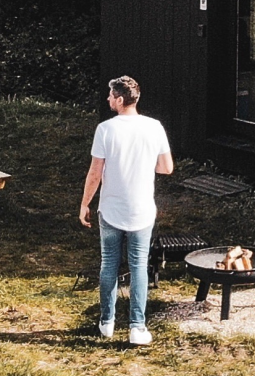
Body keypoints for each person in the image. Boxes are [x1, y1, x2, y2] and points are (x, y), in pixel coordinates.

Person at [79, 75, 173, 345]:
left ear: (120, 100)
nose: (108, 99)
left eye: (110, 95)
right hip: (141, 210)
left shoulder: (105, 129)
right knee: (139, 266)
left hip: (110, 209)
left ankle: (107, 323)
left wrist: (85, 203)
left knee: (109, 264)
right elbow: (166, 168)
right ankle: (137, 327)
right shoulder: (154, 127)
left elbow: (95, 173)